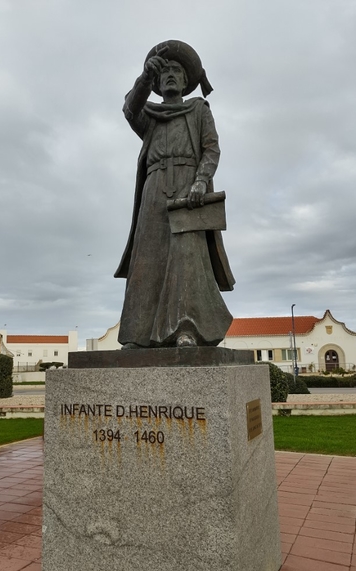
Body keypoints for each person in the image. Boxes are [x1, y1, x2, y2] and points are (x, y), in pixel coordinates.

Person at [115, 40, 235, 349]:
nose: (170, 75)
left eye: (177, 71)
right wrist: (144, 78)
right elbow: (130, 110)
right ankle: (137, 334)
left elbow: (211, 148)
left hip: (188, 187)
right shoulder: (150, 115)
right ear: (157, 81)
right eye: (165, 71)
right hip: (154, 188)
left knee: (187, 259)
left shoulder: (198, 109)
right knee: (146, 258)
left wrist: (200, 180)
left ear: (186, 81)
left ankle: (187, 329)